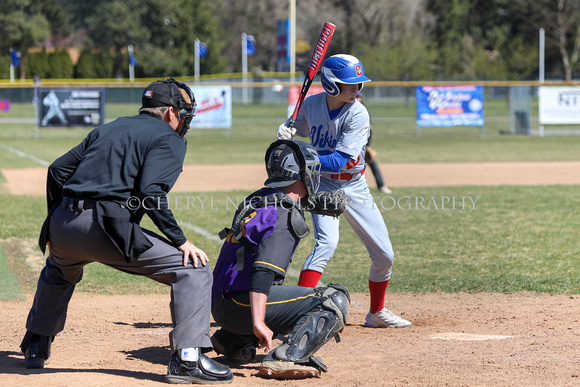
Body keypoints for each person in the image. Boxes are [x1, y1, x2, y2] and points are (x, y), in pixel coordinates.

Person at [20, 78, 233, 384]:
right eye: (184, 113)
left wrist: (56, 222)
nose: (185, 120)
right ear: (172, 112)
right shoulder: (169, 137)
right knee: (193, 269)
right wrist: (181, 241)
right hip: (105, 227)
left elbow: (57, 170)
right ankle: (188, 358)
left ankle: (36, 346)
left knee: (59, 270)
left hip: (64, 222)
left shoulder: (110, 126)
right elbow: (150, 192)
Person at [277, 54, 411, 328]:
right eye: (349, 84)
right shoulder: (313, 104)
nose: (356, 89)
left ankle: (376, 313)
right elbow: (299, 129)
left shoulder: (358, 113)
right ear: (331, 85)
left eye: (358, 84)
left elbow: (343, 161)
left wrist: (302, 157)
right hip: (323, 184)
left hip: (353, 185)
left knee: (385, 256)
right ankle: (298, 313)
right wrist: (287, 130)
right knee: (326, 244)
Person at [211, 139, 351, 379]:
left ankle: (233, 341)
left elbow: (285, 202)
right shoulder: (284, 215)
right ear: (301, 174)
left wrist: (309, 203)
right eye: (312, 170)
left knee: (278, 294)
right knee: (333, 300)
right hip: (241, 306)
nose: (315, 175)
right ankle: (286, 358)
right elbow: (263, 272)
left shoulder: (258, 198)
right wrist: (258, 322)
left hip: (221, 302)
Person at [356, 93, 392, 194]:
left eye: (359, 98)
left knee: (373, 164)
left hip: (364, 146)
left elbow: (369, 131)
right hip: (353, 147)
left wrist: (368, 146)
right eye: (356, 98)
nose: (358, 99)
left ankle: (381, 186)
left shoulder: (365, 112)